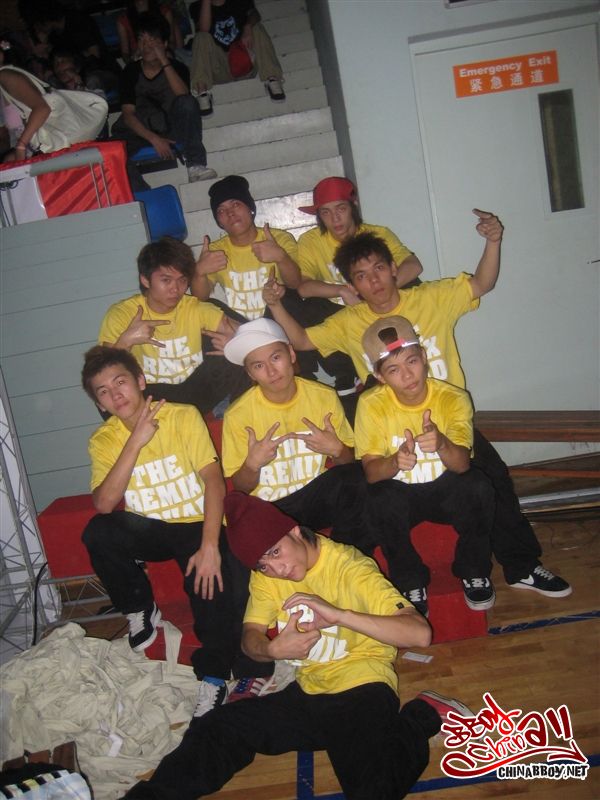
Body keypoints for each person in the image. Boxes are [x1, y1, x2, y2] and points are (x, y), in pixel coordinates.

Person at [263, 213, 572, 598]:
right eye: (362, 276)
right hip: (390, 431)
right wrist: (276, 306)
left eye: (379, 268)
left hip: (449, 422)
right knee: (373, 498)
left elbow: (482, 283)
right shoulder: (349, 321)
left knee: (494, 481)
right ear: (352, 285)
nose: (374, 281)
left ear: (395, 269)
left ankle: (521, 565)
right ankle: (384, 582)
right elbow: (303, 342)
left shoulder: (431, 298)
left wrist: (493, 240)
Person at [118, 491, 472, 800]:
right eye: (263, 564)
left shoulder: (350, 567)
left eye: (276, 552)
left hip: (362, 687)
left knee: (371, 792)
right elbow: (251, 637)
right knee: (218, 726)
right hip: (309, 691)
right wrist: (271, 650)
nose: (277, 568)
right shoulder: (267, 576)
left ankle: (422, 714)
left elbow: (419, 634)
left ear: (294, 530)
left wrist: (339, 615)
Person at [80, 346, 272, 718]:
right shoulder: (103, 440)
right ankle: (139, 608)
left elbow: (214, 481)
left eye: (121, 382)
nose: (116, 394)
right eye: (104, 391)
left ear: (140, 381)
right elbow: (104, 503)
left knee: (213, 582)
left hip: (196, 524)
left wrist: (210, 544)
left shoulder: (182, 416)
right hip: (148, 528)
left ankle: (214, 676)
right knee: (98, 531)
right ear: (100, 403)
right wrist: (135, 440)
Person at [355, 315, 495, 616]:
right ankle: (409, 581)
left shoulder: (453, 398)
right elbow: (371, 473)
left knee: (478, 485)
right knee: (376, 499)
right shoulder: (371, 404)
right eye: (394, 369)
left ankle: (474, 570)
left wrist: (442, 443)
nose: (407, 375)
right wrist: (395, 461)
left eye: (412, 361)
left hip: (445, 487)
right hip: (401, 494)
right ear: (380, 376)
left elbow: (462, 466)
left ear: (424, 356)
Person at [221, 317, 367, 542]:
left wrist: (337, 450)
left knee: (358, 477)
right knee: (236, 524)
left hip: (314, 495)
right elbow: (240, 488)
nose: (271, 371)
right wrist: (252, 464)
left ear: (291, 354)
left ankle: (340, 551)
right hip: (270, 507)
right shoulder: (237, 414)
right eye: (258, 366)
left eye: (275, 358)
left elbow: (347, 465)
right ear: (250, 374)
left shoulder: (323, 397)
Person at [296, 176, 424, 420]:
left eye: (341, 209)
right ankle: (344, 372)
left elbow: (414, 266)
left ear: (352, 207)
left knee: (413, 286)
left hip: (381, 310)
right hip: (341, 314)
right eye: (326, 212)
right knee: (294, 301)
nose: (335, 219)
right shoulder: (311, 241)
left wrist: (375, 294)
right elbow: (303, 287)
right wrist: (341, 291)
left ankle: (409, 352)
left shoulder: (377, 234)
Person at [98, 236, 249, 415]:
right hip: (151, 397)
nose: (175, 289)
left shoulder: (195, 308)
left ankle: (230, 412)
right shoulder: (121, 314)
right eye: (166, 280)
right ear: (145, 280)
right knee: (105, 393)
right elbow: (102, 374)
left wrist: (236, 346)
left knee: (243, 351)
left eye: (182, 280)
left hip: (195, 393)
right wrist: (126, 341)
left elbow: (258, 337)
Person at [192, 174, 319, 376]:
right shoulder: (216, 251)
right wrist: (199, 271)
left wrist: (280, 257)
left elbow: (296, 283)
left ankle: (301, 371)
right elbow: (200, 297)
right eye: (221, 211)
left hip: (276, 318)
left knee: (289, 296)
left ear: (250, 208)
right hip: (239, 326)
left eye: (236, 205)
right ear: (219, 221)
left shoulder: (279, 239)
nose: (230, 213)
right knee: (206, 310)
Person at [110, 12, 216, 190]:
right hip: (140, 131)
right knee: (114, 152)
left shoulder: (178, 68)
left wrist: (165, 61)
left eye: (152, 40)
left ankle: (196, 165)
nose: (146, 46)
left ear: (164, 43)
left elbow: (183, 96)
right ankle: (142, 195)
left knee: (188, 102)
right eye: (142, 40)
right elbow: (128, 115)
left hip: (170, 127)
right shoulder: (130, 71)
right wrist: (154, 139)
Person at [0, 41, 107, 161]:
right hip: (43, 146)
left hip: (50, 142)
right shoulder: (5, 78)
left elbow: (42, 109)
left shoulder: (5, 76)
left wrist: (21, 145)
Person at [189, 0, 284, 116]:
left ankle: (272, 79)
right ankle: (202, 92)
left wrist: (248, 26)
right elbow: (203, 29)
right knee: (201, 37)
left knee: (256, 27)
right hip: (218, 68)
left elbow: (255, 14)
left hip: (244, 59)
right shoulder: (197, 7)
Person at [117, 0, 183, 64]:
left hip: (163, 54)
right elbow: (125, 53)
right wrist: (133, 60)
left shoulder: (164, 11)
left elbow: (172, 43)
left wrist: (161, 51)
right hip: (140, 58)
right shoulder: (123, 19)